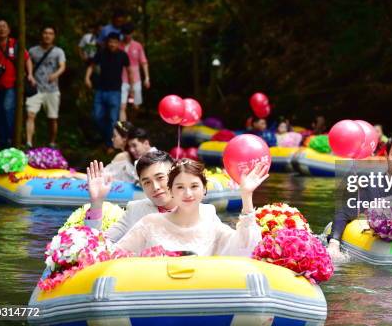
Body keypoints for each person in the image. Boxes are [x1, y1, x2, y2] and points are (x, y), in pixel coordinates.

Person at [115, 159, 267, 256]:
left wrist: (246, 196)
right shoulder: (150, 223)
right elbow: (114, 254)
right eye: (180, 187)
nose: (188, 194)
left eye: (194, 186)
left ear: (204, 189)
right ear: (171, 190)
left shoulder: (211, 224)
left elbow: (245, 247)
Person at [85, 151, 218, 242]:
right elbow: (100, 243)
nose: (155, 187)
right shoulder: (135, 210)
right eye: (147, 182)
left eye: (160, 178)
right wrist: (96, 202)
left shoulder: (205, 212)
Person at [0, 19, 34, 148]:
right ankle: (3, 141)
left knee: (7, 109)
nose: (1, 29)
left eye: (4, 26)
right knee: (0, 113)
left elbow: (27, 59)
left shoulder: (15, 44)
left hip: (12, 84)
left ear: (9, 30)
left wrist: (30, 74)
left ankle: (11, 139)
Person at [85, 32, 132, 149]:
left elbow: (129, 70)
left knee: (113, 119)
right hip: (100, 90)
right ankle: (106, 136)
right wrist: (87, 78)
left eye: (115, 42)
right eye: (110, 42)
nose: (112, 44)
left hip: (115, 91)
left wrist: (131, 88)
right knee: (96, 116)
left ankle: (110, 144)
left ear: (118, 43)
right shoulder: (101, 53)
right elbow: (91, 65)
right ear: (107, 42)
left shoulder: (123, 55)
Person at [25, 26, 66, 148]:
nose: (47, 35)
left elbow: (62, 66)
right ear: (41, 34)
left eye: (50, 33)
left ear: (54, 36)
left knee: (52, 118)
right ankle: (28, 143)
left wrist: (56, 74)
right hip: (35, 88)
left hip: (52, 89)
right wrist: (30, 75)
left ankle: (52, 142)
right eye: (45, 33)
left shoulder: (58, 51)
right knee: (30, 115)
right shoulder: (32, 51)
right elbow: (27, 64)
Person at [119, 23, 150, 121]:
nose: (127, 36)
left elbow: (143, 62)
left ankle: (130, 123)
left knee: (135, 105)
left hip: (135, 80)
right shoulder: (118, 45)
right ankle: (123, 130)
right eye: (125, 33)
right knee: (122, 107)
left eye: (129, 33)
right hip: (121, 79)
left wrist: (147, 78)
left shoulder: (137, 46)